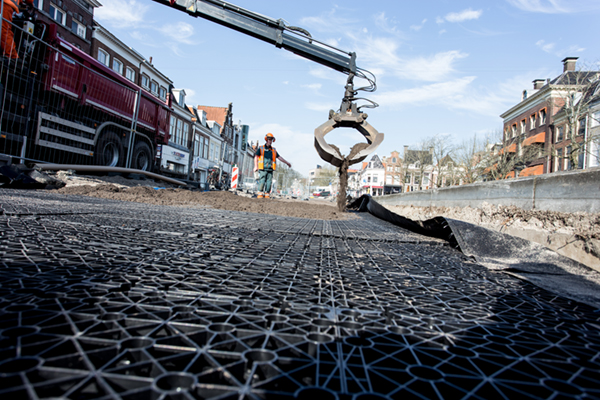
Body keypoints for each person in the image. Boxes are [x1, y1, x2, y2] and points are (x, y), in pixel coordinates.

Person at [254, 133, 291, 199]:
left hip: (270, 169)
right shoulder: (261, 148)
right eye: (269, 139)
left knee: (269, 182)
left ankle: (267, 194)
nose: (270, 141)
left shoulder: (273, 150)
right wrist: (256, 166)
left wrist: (287, 162)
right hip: (263, 168)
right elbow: (256, 157)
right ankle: (260, 193)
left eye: (271, 140)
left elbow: (279, 157)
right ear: (266, 140)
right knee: (262, 180)